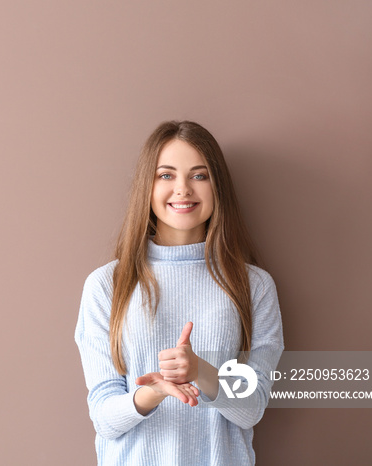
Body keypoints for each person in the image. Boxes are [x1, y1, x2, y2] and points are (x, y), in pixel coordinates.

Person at [74, 121, 284, 465]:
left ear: (219, 188)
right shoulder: (106, 285)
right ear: (148, 186)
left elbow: (253, 409)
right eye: (166, 175)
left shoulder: (254, 286)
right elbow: (104, 417)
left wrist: (201, 371)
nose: (183, 189)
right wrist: (153, 392)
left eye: (199, 176)